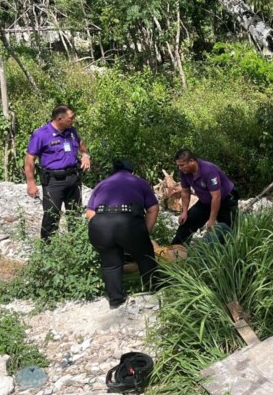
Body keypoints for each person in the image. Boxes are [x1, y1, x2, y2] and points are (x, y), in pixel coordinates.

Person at [86, 160, 161, 309]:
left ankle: (116, 300)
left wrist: (104, 227)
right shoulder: (139, 182)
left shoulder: (102, 184)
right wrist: (143, 234)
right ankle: (154, 291)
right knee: (145, 257)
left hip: (99, 224)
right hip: (128, 221)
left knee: (110, 264)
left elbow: (90, 212)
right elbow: (153, 209)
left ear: (113, 172)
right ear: (131, 172)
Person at [24, 105, 91, 240]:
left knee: (75, 214)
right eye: (71, 118)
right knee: (51, 215)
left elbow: (81, 144)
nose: (73, 120)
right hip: (53, 181)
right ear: (60, 119)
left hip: (73, 178)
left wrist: (85, 155)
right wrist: (31, 183)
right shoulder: (41, 134)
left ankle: (76, 247)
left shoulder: (71, 131)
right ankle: (48, 251)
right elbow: (30, 159)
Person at [171, 149, 238, 245]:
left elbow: (216, 197)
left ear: (191, 161)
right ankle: (176, 250)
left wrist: (212, 219)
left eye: (182, 165)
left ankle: (224, 253)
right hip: (206, 201)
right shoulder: (184, 172)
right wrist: (184, 211)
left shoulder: (209, 170)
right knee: (188, 221)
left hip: (225, 199)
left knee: (227, 230)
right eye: (178, 165)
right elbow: (185, 192)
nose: (180, 168)